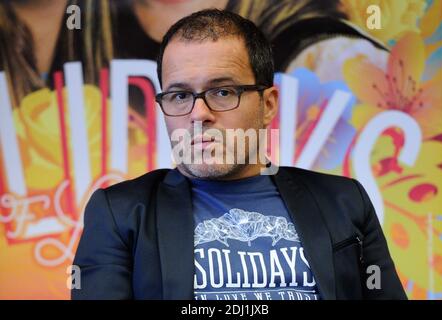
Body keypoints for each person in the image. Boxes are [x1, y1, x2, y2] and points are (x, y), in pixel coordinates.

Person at [72, 9, 407, 300]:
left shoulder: (346, 202)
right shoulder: (119, 214)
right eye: (179, 95)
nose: (198, 114)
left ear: (268, 105)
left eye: (222, 91)